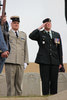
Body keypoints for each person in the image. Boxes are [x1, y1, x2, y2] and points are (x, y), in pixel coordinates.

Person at [29, 18, 63, 95]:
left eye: (49, 23)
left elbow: (59, 50)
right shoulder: (40, 34)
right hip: (44, 61)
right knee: (45, 81)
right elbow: (31, 36)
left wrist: (60, 63)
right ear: (44, 25)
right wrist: (39, 28)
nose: (48, 24)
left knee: (54, 81)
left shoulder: (56, 34)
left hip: (54, 61)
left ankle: (54, 97)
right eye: (46, 23)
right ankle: (45, 97)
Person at [5, 16, 29, 96]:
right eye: (14, 23)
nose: (16, 24)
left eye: (17, 23)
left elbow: (25, 48)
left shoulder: (23, 34)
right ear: (11, 23)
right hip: (10, 61)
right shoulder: (7, 34)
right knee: (10, 86)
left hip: (20, 62)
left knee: (19, 86)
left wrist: (26, 61)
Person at [0, 2, 9, 73]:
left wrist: (4, 23)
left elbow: (5, 35)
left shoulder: (2, 23)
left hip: (2, 54)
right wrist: (4, 49)